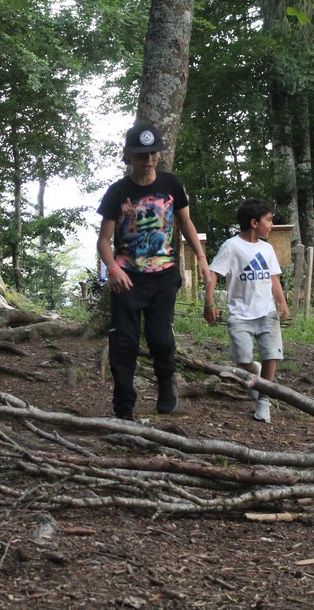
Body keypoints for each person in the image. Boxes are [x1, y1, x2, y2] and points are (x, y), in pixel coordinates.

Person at [97, 121, 210, 421]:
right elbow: (104, 241)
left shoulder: (172, 184)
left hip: (163, 278)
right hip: (127, 281)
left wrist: (200, 257)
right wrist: (112, 269)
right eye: (141, 155)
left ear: (159, 155)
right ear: (128, 156)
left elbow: (186, 224)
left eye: (153, 155)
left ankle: (166, 390)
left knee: (160, 339)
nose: (148, 161)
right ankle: (124, 408)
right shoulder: (117, 192)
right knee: (124, 344)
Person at [204, 198, 290, 423]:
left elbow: (273, 278)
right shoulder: (231, 246)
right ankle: (255, 371)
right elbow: (214, 274)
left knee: (271, 353)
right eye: (269, 220)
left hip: (266, 311)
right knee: (242, 359)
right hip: (240, 314)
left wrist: (282, 303)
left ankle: (264, 399)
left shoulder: (267, 249)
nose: (271, 225)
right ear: (254, 222)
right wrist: (209, 301)